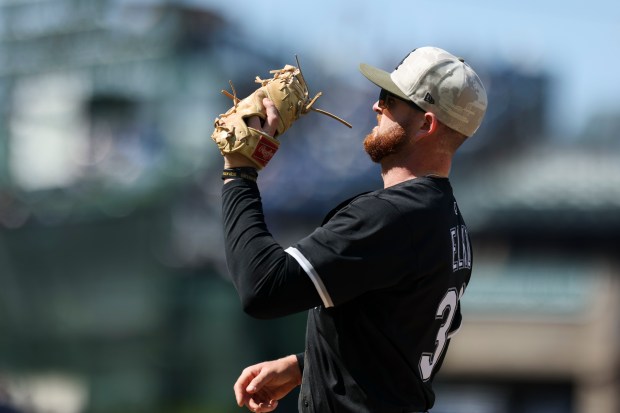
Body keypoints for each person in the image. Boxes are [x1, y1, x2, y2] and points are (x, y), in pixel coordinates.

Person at [219, 46, 488, 413]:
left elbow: (263, 287)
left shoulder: (392, 217)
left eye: (390, 99)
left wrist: (239, 172)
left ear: (426, 124)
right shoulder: (448, 220)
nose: (376, 107)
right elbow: (397, 345)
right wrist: (306, 364)